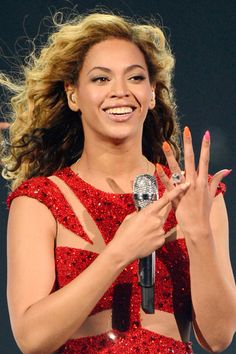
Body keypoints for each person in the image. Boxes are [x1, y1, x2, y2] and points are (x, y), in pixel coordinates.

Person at [0, 11, 235, 354]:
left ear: (152, 93)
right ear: (73, 95)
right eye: (100, 79)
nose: (121, 92)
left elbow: (218, 337)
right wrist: (119, 252)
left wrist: (198, 233)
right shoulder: (39, 201)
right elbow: (32, 339)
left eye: (136, 77)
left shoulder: (197, 196)